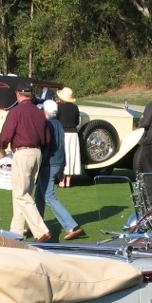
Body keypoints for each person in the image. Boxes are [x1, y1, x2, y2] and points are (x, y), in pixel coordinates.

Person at [0, 82, 51, 242]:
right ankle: (16, 231)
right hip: (37, 153)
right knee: (21, 193)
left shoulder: (16, 111)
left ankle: (41, 231)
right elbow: (47, 138)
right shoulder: (39, 112)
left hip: (22, 153)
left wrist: (1, 148)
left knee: (21, 194)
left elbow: (5, 135)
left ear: (18, 95)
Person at [35, 99, 84, 241]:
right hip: (58, 162)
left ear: (45, 111)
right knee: (39, 194)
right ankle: (37, 225)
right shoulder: (58, 124)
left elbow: (46, 146)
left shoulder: (48, 124)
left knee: (49, 196)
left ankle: (71, 226)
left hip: (50, 163)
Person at [55, 86, 81, 188]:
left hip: (63, 133)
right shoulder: (75, 108)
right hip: (73, 134)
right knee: (71, 156)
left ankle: (61, 180)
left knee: (63, 156)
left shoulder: (59, 107)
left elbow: (56, 120)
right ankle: (68, 181)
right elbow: (76, 122)